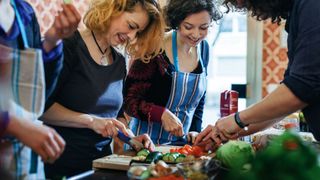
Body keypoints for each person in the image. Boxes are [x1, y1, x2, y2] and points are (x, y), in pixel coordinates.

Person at [40, 0, 165, 178]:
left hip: (102, 166)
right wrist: (91, 121)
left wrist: (129, 138)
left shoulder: (119, 62)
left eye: (138, 32)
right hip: (62, 164)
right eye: (131, 26)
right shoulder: (69, 47)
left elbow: (115, 116)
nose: (131, 36)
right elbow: (42, 109)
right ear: (112, 9)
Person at [195, 0, 320, 149]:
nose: (242, 4)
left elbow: (302, 88)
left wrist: (237, 119)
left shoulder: (312, 5)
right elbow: (288, 99)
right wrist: (228, 129)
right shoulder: (298, 12)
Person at [0, 0, 80, 179]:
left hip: (21, 164)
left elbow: (38, 95)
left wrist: (52, 40)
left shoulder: (24, 13)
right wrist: (12, 125)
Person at [123, 0, 222, 145]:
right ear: (177, 22)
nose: (196, 34)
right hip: (145, 144)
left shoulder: (204, 49)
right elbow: (128, 101)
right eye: (188, 27)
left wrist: (195, 131)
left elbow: (199, 101)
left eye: (203, 27)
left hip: (181, 146)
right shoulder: (155, 48)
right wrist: (160, 114)